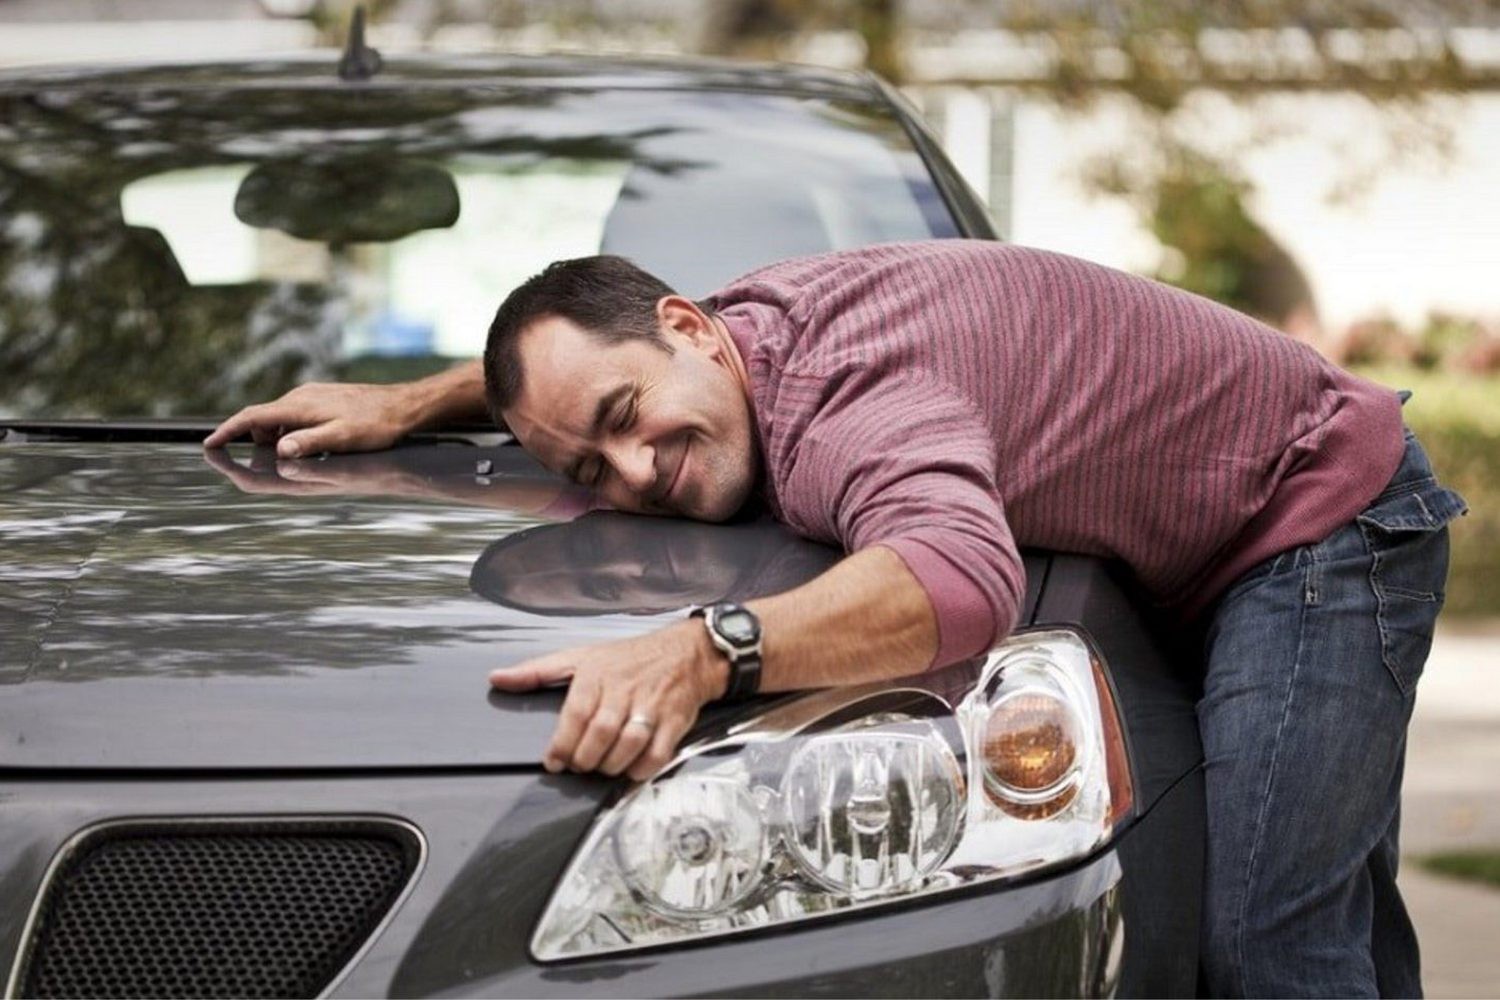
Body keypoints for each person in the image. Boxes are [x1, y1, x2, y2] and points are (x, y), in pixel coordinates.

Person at [206, 241, 1465, 997]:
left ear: (691, 330)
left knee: (1267, 949)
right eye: (587, 465)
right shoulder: (735, 328)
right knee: (1334, 914)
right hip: (1239, 514)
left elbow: (960, 574)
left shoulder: (848, 402)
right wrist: (411, 402)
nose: (634, 469)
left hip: (1314, 519)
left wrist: (705, 650)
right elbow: (582, 376)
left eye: (628, 419)